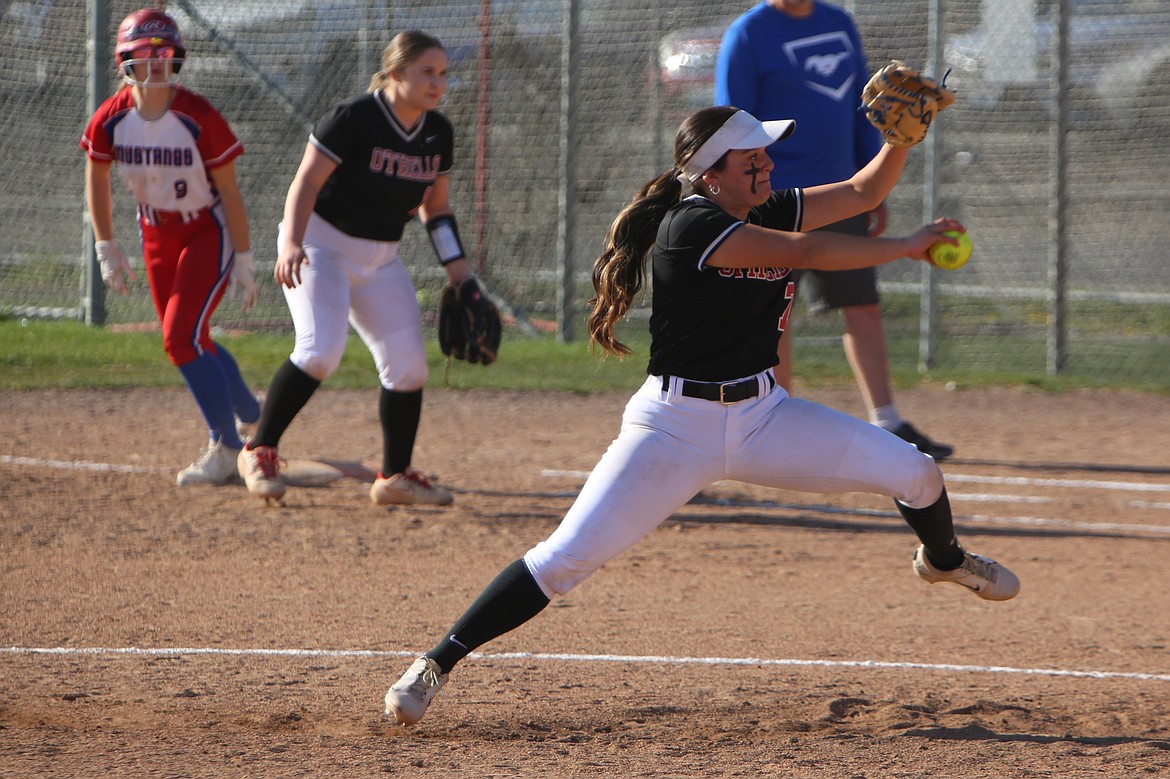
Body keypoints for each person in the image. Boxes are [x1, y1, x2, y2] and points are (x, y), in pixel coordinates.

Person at [381, 106, 1020, 727]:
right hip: (674, 428)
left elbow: (861, 188)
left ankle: (944, 560)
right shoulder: (690, 226)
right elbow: (807, 253)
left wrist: (902, 140)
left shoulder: (763, 204)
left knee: (917, 473)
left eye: (765, 152)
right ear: (711, 173)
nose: (766, 163)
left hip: (765, 416)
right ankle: (435, 664)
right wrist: (907, 246)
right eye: (751, 156)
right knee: (562, 560)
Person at [237, 30, 478, 507]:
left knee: (409, 368)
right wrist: (289, 242)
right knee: (319, 351)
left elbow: (437, 207)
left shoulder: (438, 132)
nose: (437, 83)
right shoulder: (354, 118)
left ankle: (394, 478)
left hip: (381, 258)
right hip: (319, 248)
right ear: (394, 74)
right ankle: (258, 449)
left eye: (443, 73)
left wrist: (460, 273)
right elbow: (306, 181)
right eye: (426, 72)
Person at [715, 0, 954, 461]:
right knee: (773, 315)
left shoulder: (838, 22)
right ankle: (774, 422)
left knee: (862, 303)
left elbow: (863, 109)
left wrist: (871, 182)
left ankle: (888, 420)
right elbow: (730, 120)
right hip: (774, 196)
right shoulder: (749, 33)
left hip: (841, 187)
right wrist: (741, 195)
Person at [80, 7, 261, 487]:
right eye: (145, 53)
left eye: (165, 53)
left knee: (180, 339)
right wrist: (106, 246)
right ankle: (249, 410)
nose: (157, 62)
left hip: (206, 228)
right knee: (190, 339)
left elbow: (231, 190)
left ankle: (227, 446)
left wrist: (242, 258)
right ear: (125, 61)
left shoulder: (198, 115)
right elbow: (96, 177)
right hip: (155, 232)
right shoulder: (112, 118)